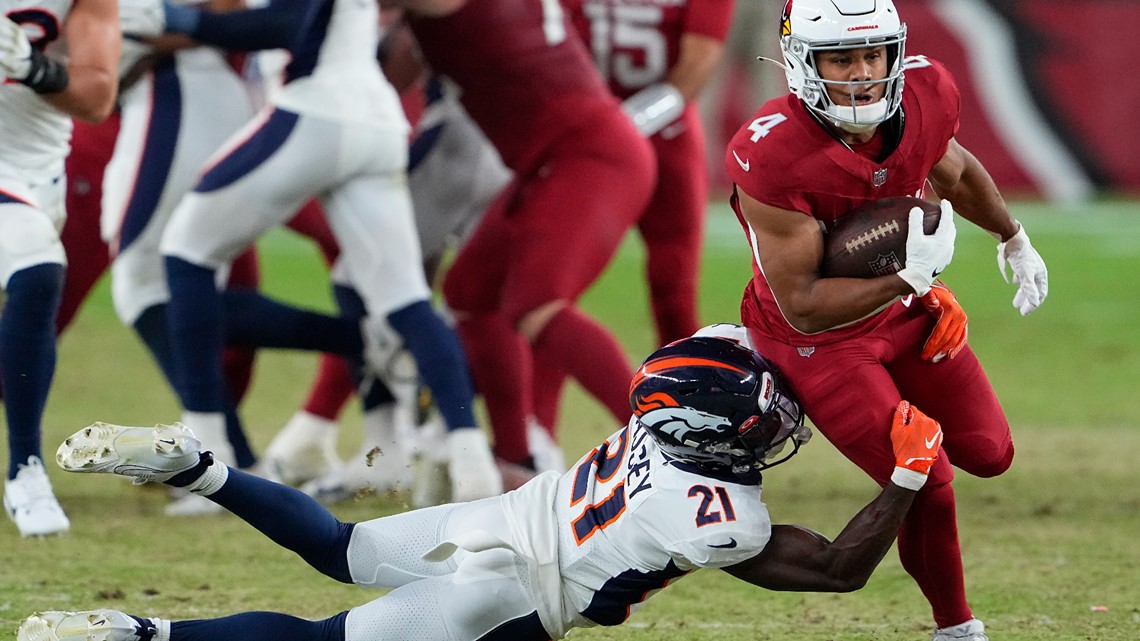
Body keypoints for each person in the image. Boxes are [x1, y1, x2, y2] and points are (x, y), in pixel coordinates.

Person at [21, 333, 944, 641]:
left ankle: (199, 468)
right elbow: (835, 570)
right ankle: (138, 633)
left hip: (500, 514)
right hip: (506, 598)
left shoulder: (670, 394)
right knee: (321, 640)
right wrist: (906, 473)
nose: (780, 427)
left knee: (339, 545)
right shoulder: (718, 513)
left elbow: (747, 345)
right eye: (761, 419)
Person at [723, 1, 1049, 639]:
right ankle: (955, 628)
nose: (862, 73)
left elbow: (950, 168)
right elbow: (805, 306)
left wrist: (1012, 235)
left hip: (901, 311)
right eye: (841, 57)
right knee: (927, 475)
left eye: (873, 53)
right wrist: (909, 278)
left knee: (990, 453)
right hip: (815, 342)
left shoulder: (926, 93)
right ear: (800, 62)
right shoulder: (771, 153)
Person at [152, 0, 503, 503]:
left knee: (187, 252)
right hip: (375, 118)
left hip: (317, 107)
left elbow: (289, 23)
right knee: (402, 298)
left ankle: (209, 461)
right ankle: (471, 469)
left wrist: (183, 21)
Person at [396, 0, 658, 474]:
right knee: (470, 291)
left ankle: (670, 446)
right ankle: (516, 459)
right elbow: (401, 67)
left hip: (586, 154)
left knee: (539, 306)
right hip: (552, 158)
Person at [525, 0, 736, 462]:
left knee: (673, 291)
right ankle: (534, 435)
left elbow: (696, 69)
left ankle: (696, 429)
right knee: (554, 290)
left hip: (664, 138)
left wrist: (621, 128)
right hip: (587, 141)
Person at [0, 0, 119, 536]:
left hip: (39, 176)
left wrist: (29, 65)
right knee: (38, 266)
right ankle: (26, 466)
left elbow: (97, 96)